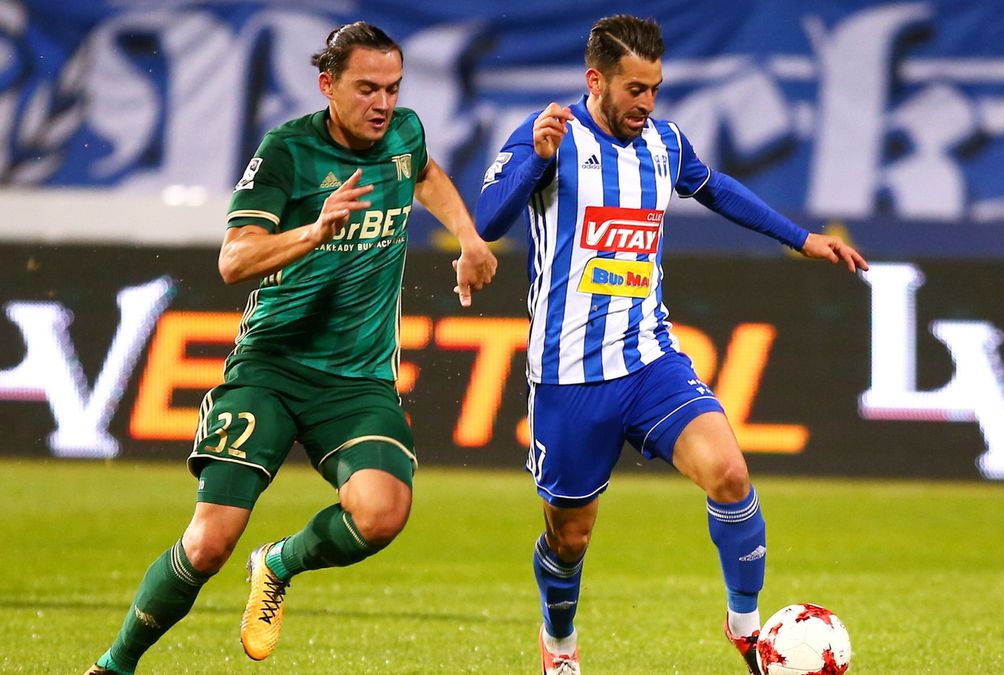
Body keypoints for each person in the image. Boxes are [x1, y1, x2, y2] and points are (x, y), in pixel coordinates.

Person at [85, 21, 496, 674]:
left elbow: (425, 173)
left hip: (358, 381)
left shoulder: (405, 133)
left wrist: (468, 238)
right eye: (367, 89)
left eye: (393, 88)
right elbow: (233, 260)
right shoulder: (287, 151)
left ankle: (278, 562)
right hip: (271, 369)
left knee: (382, 513)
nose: (383, 104)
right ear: (327, 84)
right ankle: (113, 665)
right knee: (208, 543)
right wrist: (314, 231)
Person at [474, 14, 867, 675]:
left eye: (655, 88)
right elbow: (487, 220)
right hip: (570, 375)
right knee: (569, 538)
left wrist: (800, 238)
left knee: (730, 473)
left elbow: (716, 187)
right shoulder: (551, 136)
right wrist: (535, 159)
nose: (647, 103)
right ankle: (560, 642)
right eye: (635, 89)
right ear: (596, 80)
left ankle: (746, 629)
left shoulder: (665, 143)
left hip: (650, 358)